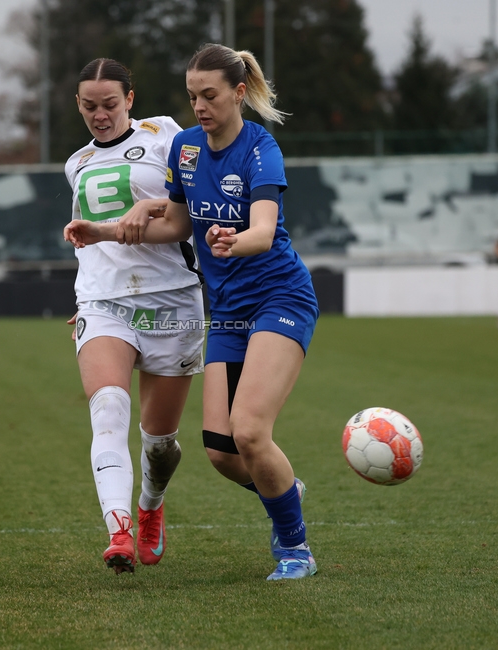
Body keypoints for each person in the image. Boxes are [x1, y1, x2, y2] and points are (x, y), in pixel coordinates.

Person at [67, 43, 318, 581]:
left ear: (238, 93)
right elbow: (177, 222)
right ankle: (285, 492)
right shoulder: (183, 148)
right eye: (192, 96)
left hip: (279, 297)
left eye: (209, 96)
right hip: (225, 308)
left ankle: (294, 550)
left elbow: (266, 230)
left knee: (250, 432)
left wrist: (234, 240)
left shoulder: (260, 149)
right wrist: (115, 225)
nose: (199, 106)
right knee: (223, 453)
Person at [61, 58, 205, 575]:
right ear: (78, 105)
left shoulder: (168, 136)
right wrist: (84, 299)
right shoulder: (75, 163)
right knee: (108, 413)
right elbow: (90, 246)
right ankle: (119, 529)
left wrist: (146, 213)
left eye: (109, 104)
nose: (100, 115)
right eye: (89, 105)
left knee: (159, 443)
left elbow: (191, 209)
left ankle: (149, 505)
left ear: (130, 99)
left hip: (172, 300)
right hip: (104, 303)